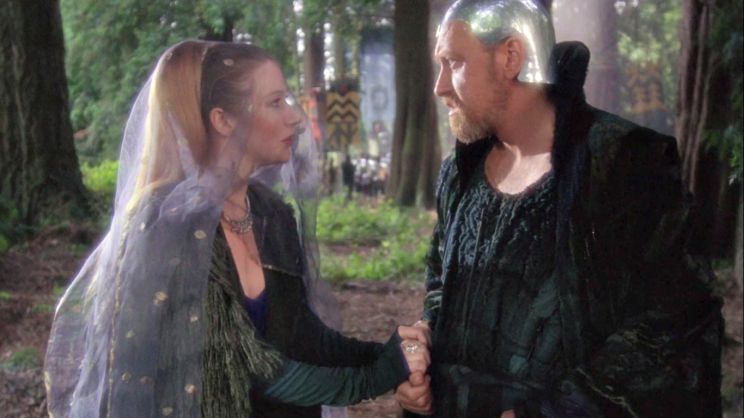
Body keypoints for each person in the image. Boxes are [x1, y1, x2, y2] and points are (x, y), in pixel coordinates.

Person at [44, 40, 431, 418]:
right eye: (275, 102)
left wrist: (385, 353)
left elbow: (302, 335)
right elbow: (252, 365)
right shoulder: (170, 223)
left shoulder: (270, 212)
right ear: (223, 120)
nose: (295, 118)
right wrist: (380, 374)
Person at [394, 0, 723, 416]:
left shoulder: (623, 164)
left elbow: (675, 324)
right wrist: (421, 359)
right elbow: (441, 288)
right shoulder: (459, 174)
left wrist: (556, 411)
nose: (440, 87)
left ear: (510, 57)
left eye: (454, 63)